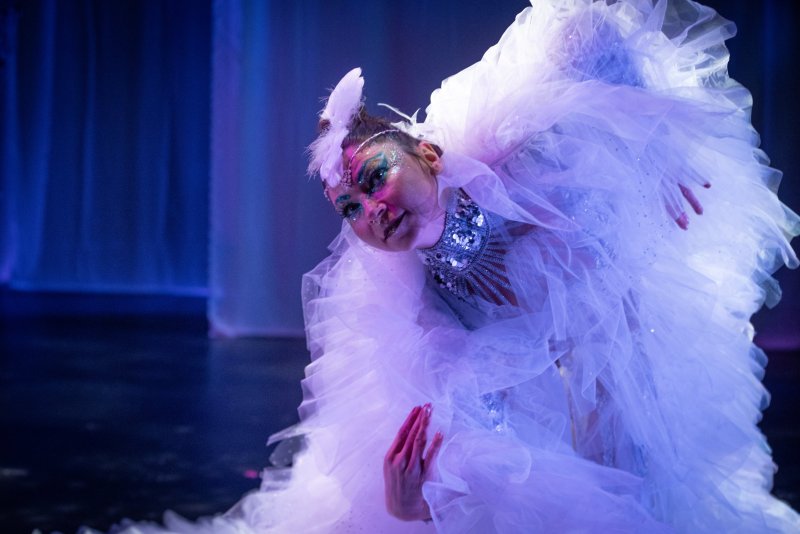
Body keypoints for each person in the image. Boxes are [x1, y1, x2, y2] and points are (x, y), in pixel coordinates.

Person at [112, 0, 799, 532]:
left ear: (429, 157)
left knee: (645, 467)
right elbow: (476, 420)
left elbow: (591, 26)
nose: (369, 211)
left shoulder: (509, 149)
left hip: (620, 319)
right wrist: (422, 505)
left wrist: (650, 132)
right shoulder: (421, 300)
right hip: (551, 381)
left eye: (375, 178)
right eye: (347, 207)